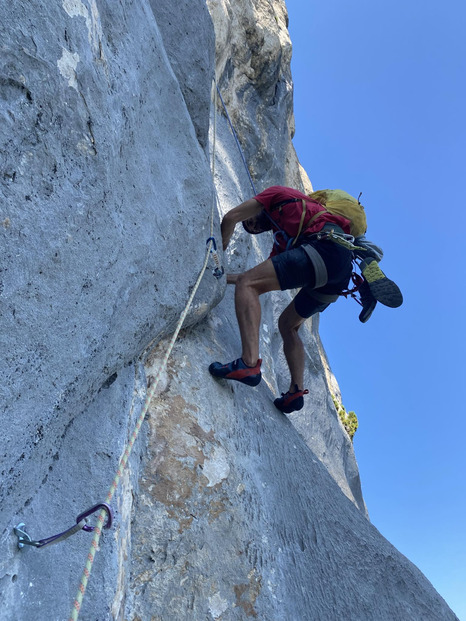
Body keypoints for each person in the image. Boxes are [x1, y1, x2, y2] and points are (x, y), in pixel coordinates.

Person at [208, 185, 401, 414]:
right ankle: (295, 393)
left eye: (250, 222)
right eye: (252, 230)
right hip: (336, 271)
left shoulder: (276, 195)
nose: (254, 226)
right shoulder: (283, 242)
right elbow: (251, 279)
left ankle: (249, 364)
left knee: (248, 285)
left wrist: (216, 258)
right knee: (287, 325)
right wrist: (222, 277)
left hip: (323, 247)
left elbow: (230, 217)